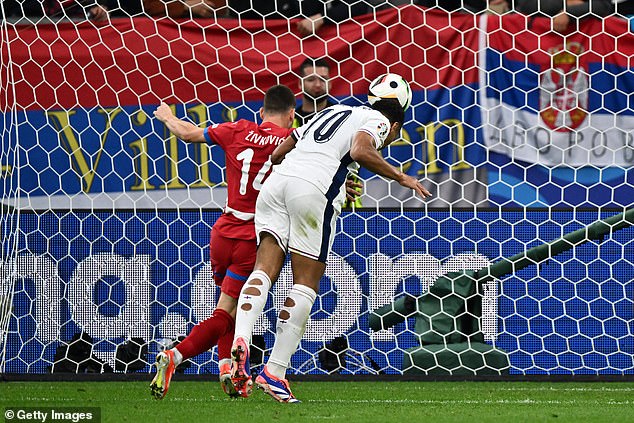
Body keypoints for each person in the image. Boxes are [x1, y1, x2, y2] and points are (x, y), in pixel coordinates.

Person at [229, 94, 433, 403]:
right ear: (393, 125)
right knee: (305, 284)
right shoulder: (377, 120)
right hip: (311, 191)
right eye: (394, 135)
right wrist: (400, 176)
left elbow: (279, 153)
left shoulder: (334, 110)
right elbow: (361, 149)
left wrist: (328, 170)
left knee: (264, 270)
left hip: (275, 186)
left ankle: (241, 338)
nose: (389, 140)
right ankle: (275, 372)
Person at [149, 85, 296, 400]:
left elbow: (188, 134)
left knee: (225, 309)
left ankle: (227, 369)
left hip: (222, 232)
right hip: (252, 238)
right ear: (291, 114)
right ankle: (175, 356)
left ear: (261, 112)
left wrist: (167, 116)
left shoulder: (239, 129)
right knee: (229, 313)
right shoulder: (293, 139)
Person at [143, 0, 228, 18]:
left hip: (206, 26)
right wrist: (184, 5)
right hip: (168, 31)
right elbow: (150, 7)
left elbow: (218, 7)